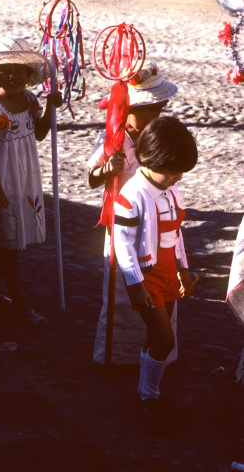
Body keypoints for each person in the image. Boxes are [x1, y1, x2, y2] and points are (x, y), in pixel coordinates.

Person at [88, 61, 180, 366]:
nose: (150, 120)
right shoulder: (114, 142)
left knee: (162, 285)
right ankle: (119, 356)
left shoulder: (157, 140)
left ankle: (157, 352)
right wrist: (106, 169)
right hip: (125, 223)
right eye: (143, 114)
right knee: (126, 288)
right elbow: (91, 179)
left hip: (159, 224)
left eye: (156, 113)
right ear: (123, 111)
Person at [0, 36, 62, 327]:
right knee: (9, 246)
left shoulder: (29, 99)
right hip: (3, 180)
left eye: (19, 70)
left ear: (28, 75)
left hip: (25, 178)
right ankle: (21, 306)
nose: (13, 76)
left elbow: (40, 133)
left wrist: (50, 106)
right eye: (6, 70)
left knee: (6, 244)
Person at [114, 116, 197, 432]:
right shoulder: (132, 194)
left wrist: (184, 270)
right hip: (146, 277)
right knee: (165, 339)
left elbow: (177, 235)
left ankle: (146, 397)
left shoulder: (171, 190)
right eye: (173, 170)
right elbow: (122, 246)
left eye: (181, 172)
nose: (177, 177)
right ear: (151, 159)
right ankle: (148, 397)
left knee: (156, 339)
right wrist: (135, 285)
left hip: (167, 273)